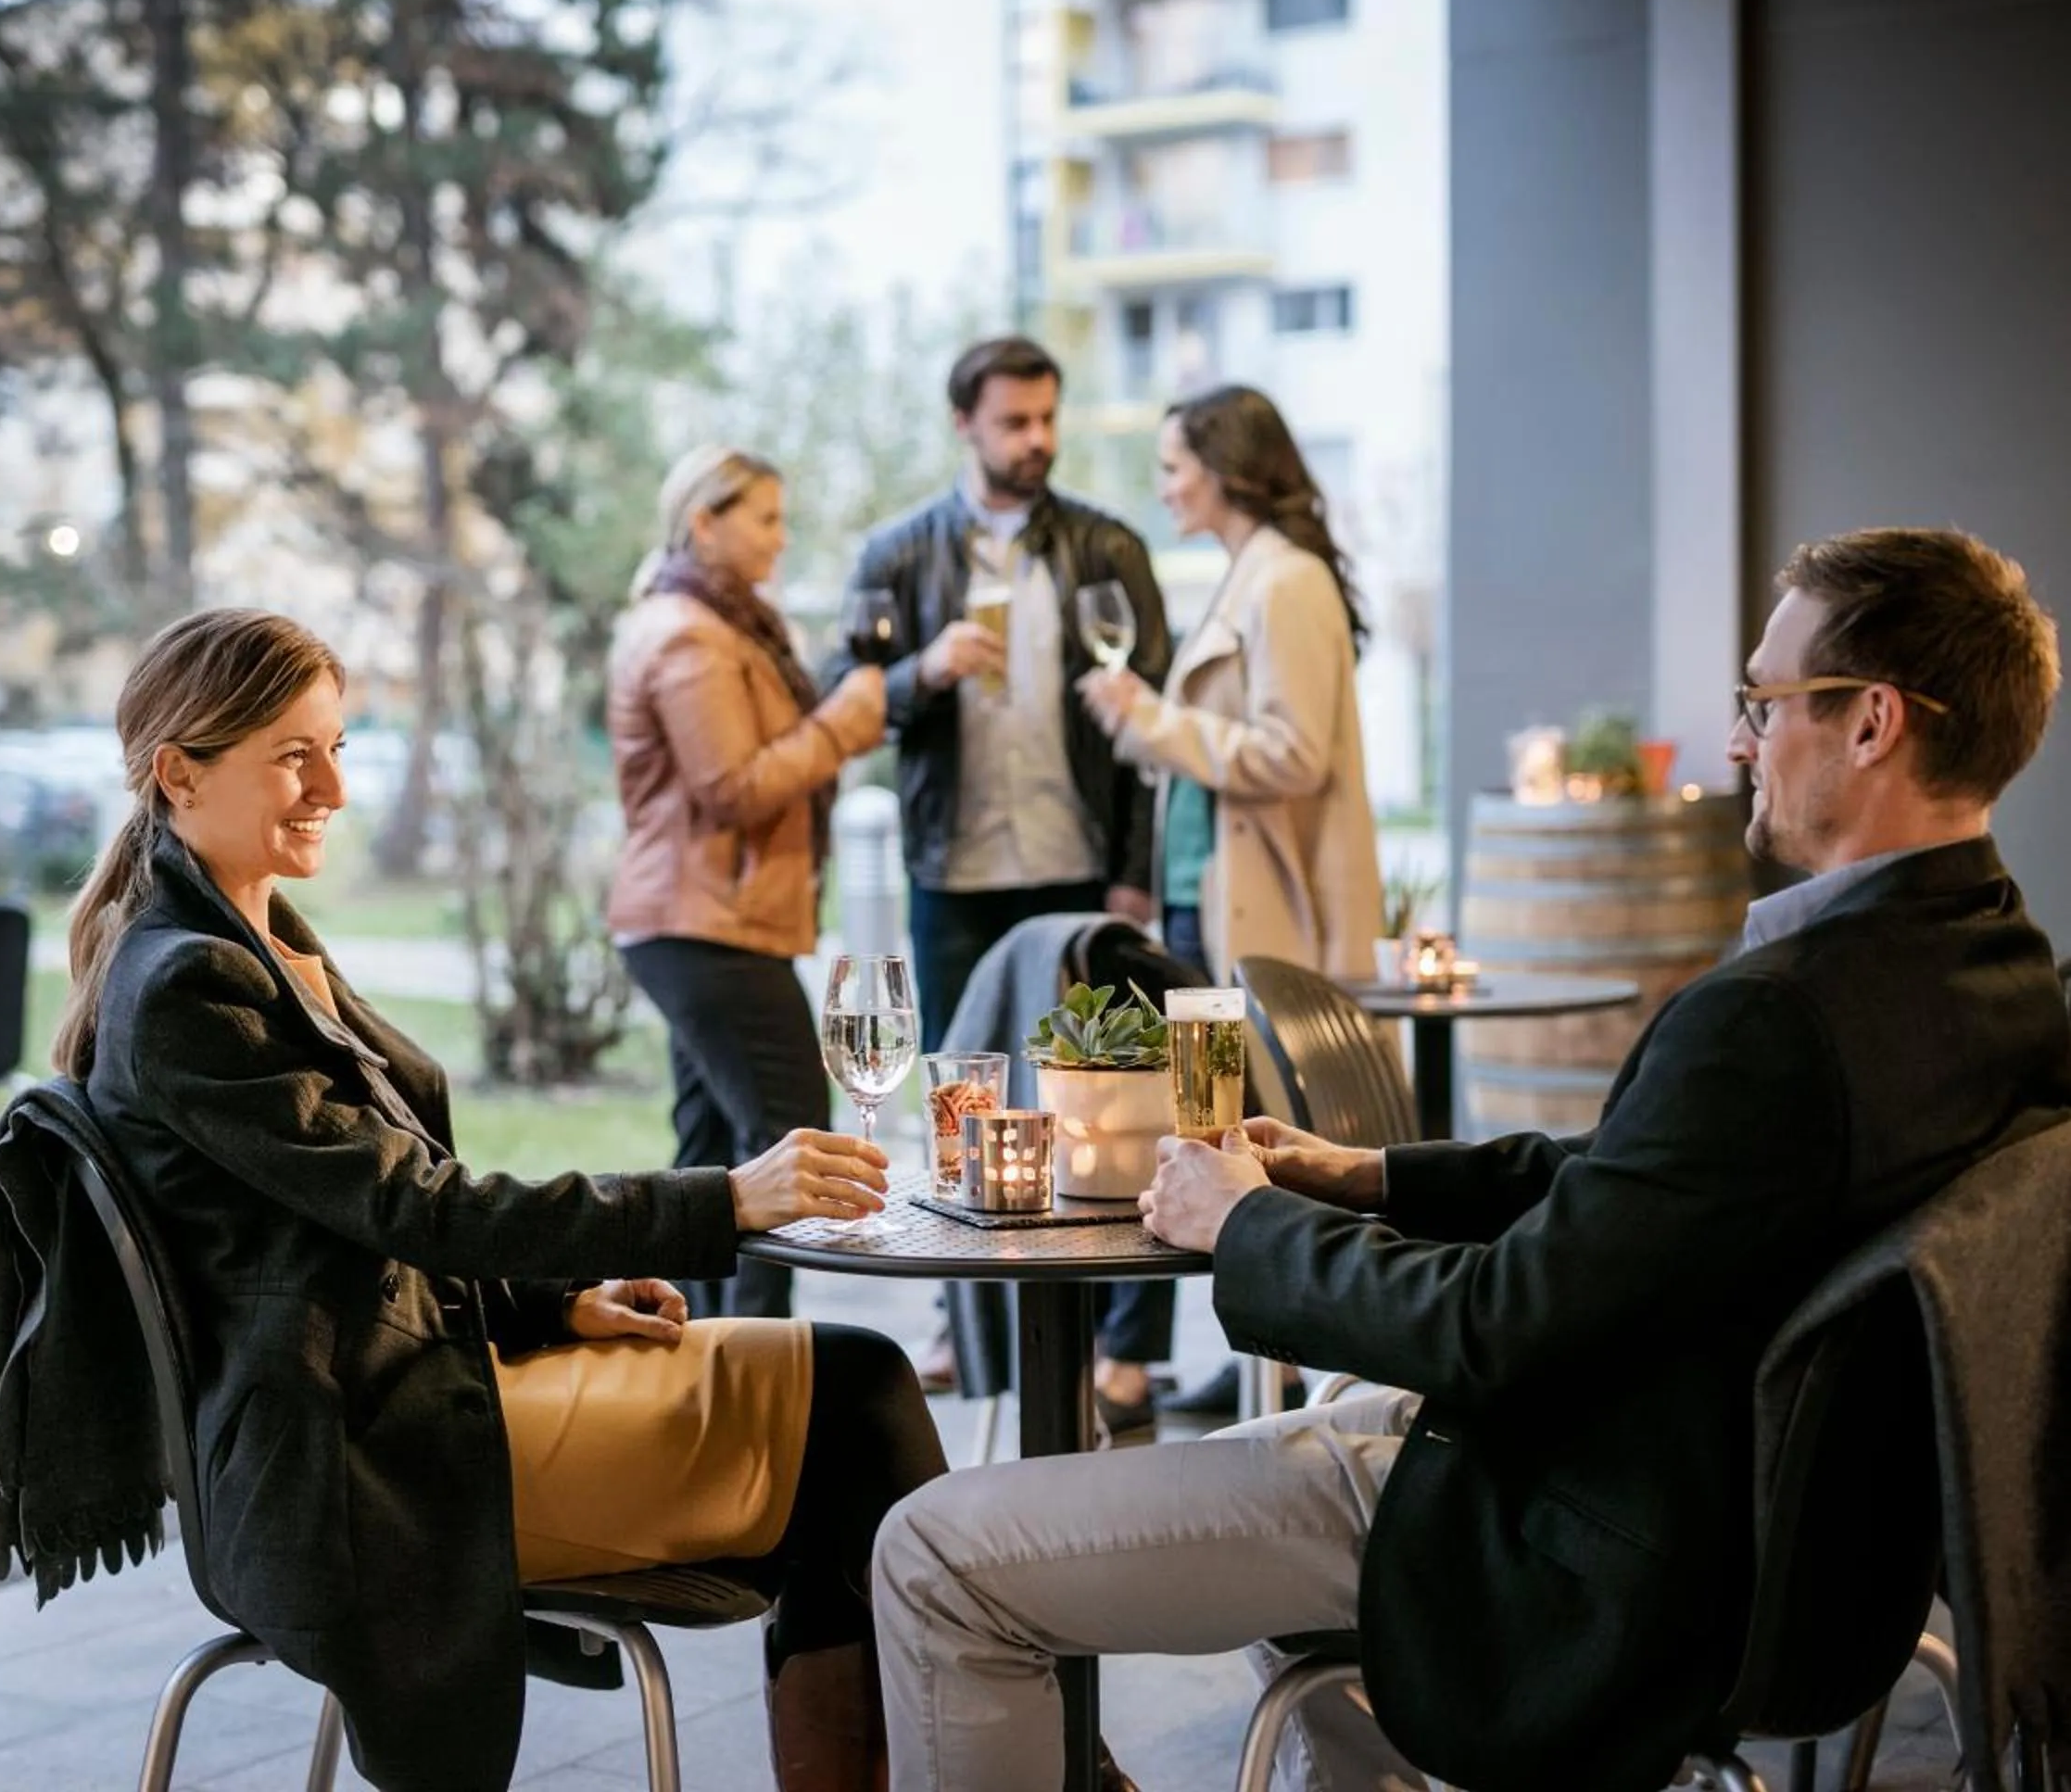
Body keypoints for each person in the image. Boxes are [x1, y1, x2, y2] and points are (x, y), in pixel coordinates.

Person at [873, 526, 2071, 1792]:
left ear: (1874, 721)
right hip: (1785, 1562)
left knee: (930, 1555)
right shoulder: (2000, 975)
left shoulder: (1777, 1021)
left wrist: (1242, 1223)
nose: (1736, 742)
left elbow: (1490, 1331)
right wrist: (1370, 1177)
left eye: (1761, 703)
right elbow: (1651, 1188)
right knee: (1336, 1409)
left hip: (1586, 1552)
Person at [62, 609, 948, 1792]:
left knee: (852, 1400)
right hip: (365, 1454)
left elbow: (355, 1219)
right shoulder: (187, 986)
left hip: (402, 1390)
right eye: (292, 754)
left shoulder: (248, 940)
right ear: (180, 771)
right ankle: (1056, 1770)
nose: (332, 782)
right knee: (852, 1407)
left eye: (336, 745)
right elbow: (417, 1206)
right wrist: (721, 1200)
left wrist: (550, 1305)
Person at [842, 334, 1173, 1386]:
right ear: (964, 425)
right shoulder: (897, 554)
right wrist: (920, 674)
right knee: (964, 1102)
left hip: (1082, 868)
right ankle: (971, 1324)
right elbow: (846, 697)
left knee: (1113, 1098)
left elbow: (1144, 735)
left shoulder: (1108, 548)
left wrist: (1134, 872)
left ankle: (1127, 1342)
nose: (1036, 441)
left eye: (1046, 420)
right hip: (957, 871)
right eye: (1013, 423)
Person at [1076, 383, 1383, 1428]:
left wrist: (1147, 718)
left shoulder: (1285, 582)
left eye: (1173, 465)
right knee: (1235, 1124)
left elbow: (1289, 755)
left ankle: (1293, 1368)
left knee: (1267, 1131)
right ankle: (1271, 1354)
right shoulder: (1251, 576)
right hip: (1218, 899)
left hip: (1267, 908)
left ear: (1225, 465)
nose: (1162, 486)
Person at [608, 446, 890, 1319]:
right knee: (785, 1147)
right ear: (705, 522)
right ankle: (758, 1369)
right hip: (706, 924)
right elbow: (727, 790)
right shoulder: (690, 635)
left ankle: (697, 1359)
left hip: (703, 920)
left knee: (714, 1154)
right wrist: (843, 726)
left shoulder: (715, 624)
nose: (782, 535)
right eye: (764, 517)